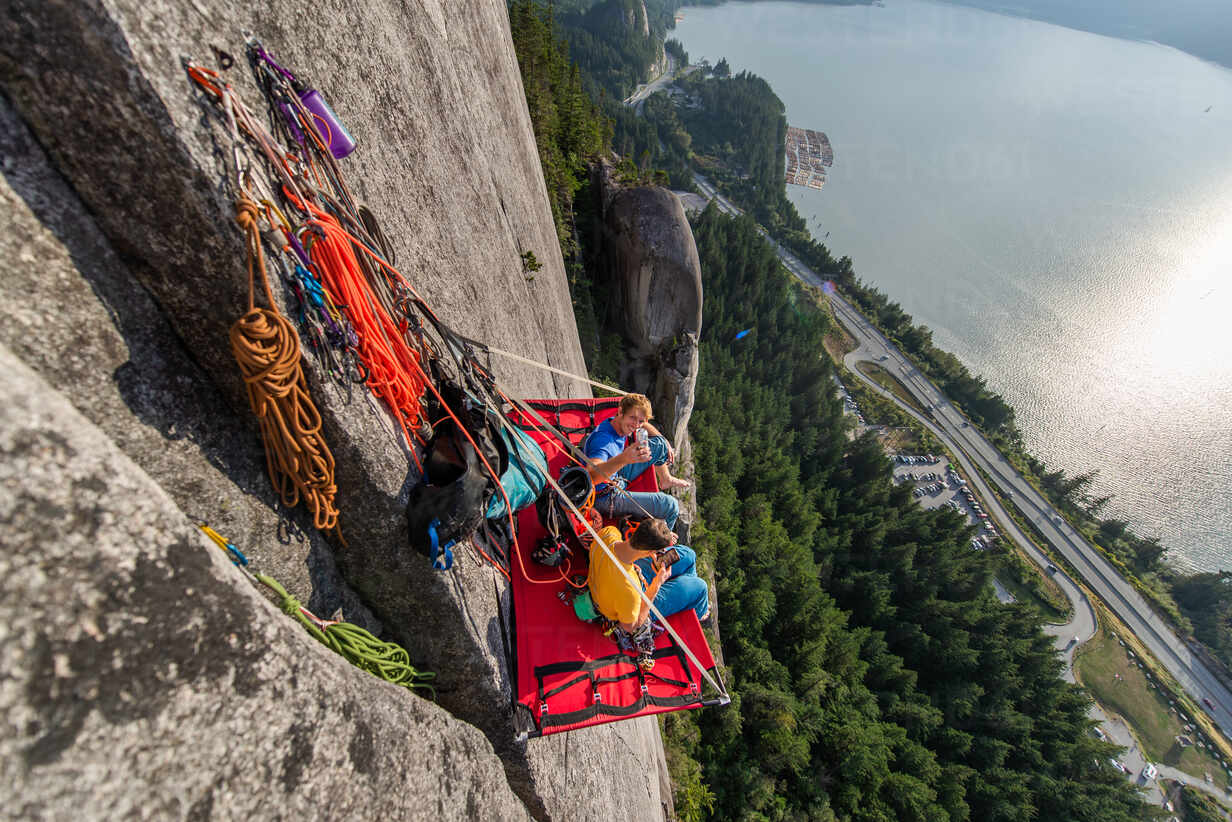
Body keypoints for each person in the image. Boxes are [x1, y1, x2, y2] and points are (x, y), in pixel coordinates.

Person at [586, 517, 709, 669]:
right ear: (650, 551)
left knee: (689, 556)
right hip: (628, 595)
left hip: (617, 569)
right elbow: (631, 626)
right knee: (701, 587)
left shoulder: (609, 533)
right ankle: (697, 609)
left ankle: (687, 586)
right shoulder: (630, 591)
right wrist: (658, 582)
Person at [583, 394, 688, 529]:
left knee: (660, 444)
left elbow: (642, 423)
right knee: (670, 505)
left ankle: (665, 479)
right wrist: (624, 459)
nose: (636, 425)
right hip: (604, 496)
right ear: (620, 412)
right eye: (632, 418)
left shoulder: (616, 423)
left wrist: (664, 440)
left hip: (615, 474)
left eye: (640, 421)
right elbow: (591, 476)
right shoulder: (603, 441)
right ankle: (661, 541)